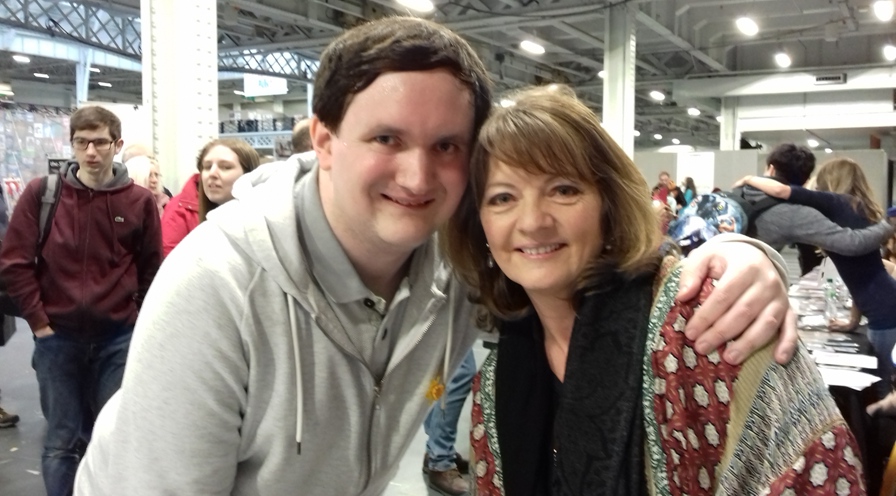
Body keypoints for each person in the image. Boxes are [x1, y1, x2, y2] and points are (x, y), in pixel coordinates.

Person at [75, 17, 798, 496]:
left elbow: (575, 259)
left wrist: (743, 252)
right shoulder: (217, 286)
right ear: (324, 141)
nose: (418, 177)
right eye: (386, 138)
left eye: (446, 146)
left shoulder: (455, 262)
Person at [443, 86, 863, 495]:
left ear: (608, 203)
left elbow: (818, 469)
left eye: (563, 190)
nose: (533, 221)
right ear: (479, 224)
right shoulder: (496, 385)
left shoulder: (707, 320)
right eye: (502, 198)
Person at [0, 105, 163, 496]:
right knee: (62, 441)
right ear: (72, 144)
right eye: (82, 142)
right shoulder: (43, 195)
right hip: (58, 339)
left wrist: (136, 320)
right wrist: (39, 322)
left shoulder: (138, 201)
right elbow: (14, 263)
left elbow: (151, 268)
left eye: (101, 142)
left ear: (117, 145)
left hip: (118, 340)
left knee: (113, 438)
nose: (91, 152)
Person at [737, 158, 896, 393]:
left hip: (884, 314)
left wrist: (749, 179)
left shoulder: (834, 201)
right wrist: (852, 321)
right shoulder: (856, 209)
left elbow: (781, 191)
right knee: (883, 383)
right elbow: (861, 275)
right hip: (883, 304)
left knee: (884, 386)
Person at [736, 143, 891, 275]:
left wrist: (748, 178)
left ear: (770, 169)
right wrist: (888, 226)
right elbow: (852, 243)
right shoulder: (797, 214)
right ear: (806, 180)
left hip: (724, 273)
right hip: (747, 283)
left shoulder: (737, 193)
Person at [160, 138, 259, 256]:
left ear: (249, 174)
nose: (212, 173)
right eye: (207, 167)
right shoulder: (178, 209)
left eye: (225, 167)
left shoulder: (267, 217)